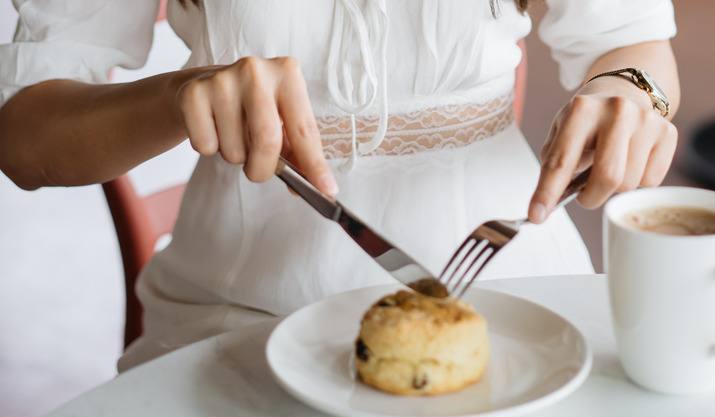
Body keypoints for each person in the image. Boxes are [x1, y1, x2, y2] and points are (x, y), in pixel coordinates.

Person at [0, 0, 680, 371]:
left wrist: (630, 96)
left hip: (526, 303)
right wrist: (178, 95)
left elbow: (632, 42)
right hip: (240, 322)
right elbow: (25, 139)